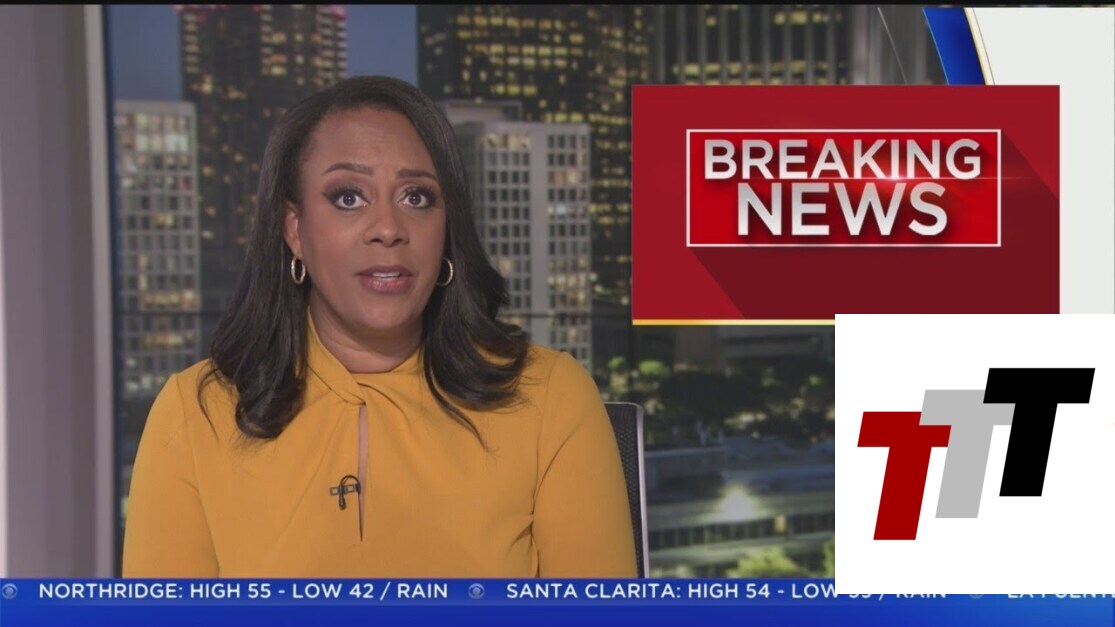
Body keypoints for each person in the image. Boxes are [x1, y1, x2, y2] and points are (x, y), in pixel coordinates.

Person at [121, 76, 636, 578]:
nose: (389, 228)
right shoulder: (194, 415)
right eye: (349, 197)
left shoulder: (550, 399)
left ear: (446, 227)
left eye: (417, 198)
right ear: (294, 229)